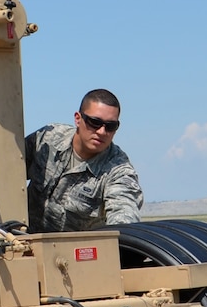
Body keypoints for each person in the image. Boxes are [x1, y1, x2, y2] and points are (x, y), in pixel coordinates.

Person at [25, 88, 143, 233]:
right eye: (95, 122)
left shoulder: (118, 171)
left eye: (110, 126)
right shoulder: (48, 139)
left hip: (74, 253)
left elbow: (124, 216)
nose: (102, 132)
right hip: (19, 245)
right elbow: (4, 167)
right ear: (78, 119)